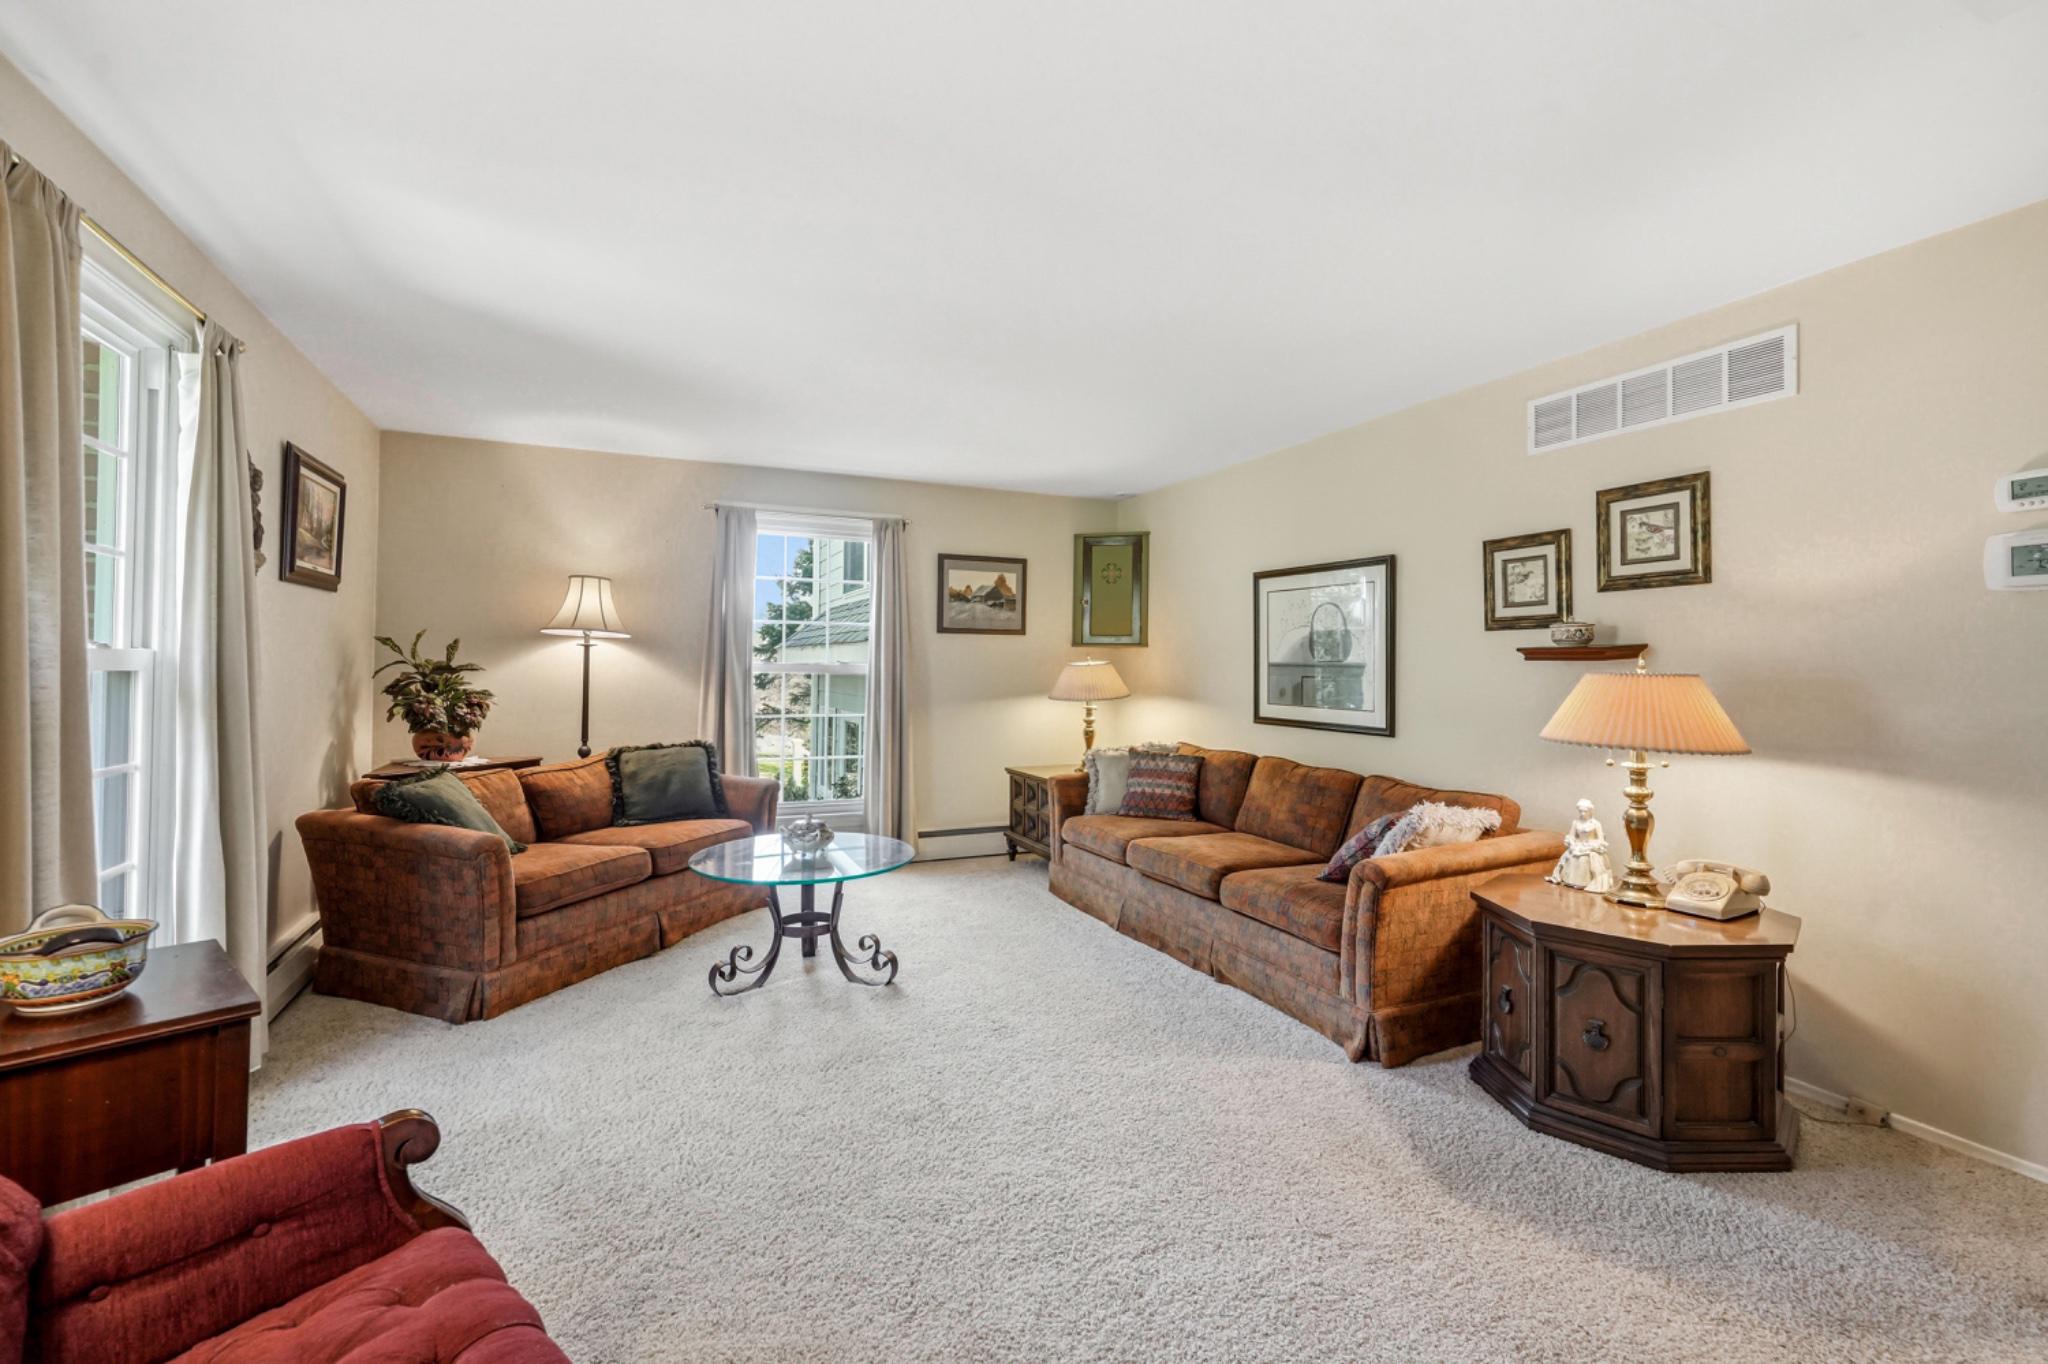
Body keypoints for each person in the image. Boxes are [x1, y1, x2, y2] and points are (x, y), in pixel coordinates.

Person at [1549, 798, 1617, 894]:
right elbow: (1571, 836)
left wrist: (1591, 845)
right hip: (1578, 845)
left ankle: (1584, 881)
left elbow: (1601, 839)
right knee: (1571, 856)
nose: (1582, 813)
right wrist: (1572, 843)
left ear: (1590, 811)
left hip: (1591, 846)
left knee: (1584, 859)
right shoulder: (1575, 823)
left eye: (1585, 811)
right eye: (1580, 811)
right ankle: (1571, 880)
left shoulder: (1596, 824)